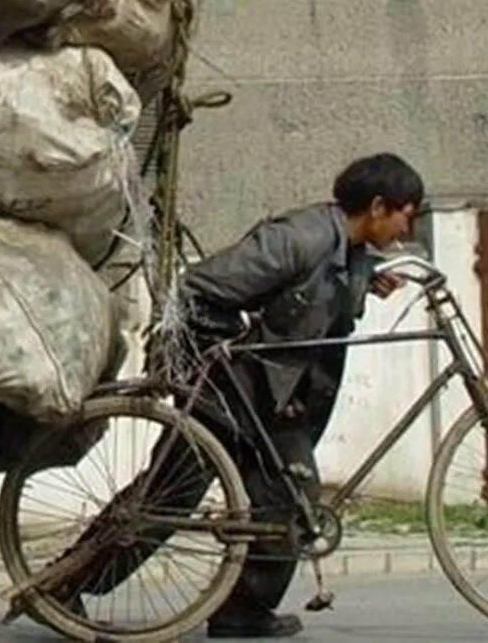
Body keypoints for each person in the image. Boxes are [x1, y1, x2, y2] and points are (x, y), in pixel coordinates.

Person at [56, 152, 425, 639]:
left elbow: (315, 296)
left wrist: (364, 279)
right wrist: (226, 353)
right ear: (378, 206)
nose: (407, 227)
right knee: (170, 493)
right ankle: (67, 584)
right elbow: (200, 288)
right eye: (406, 213)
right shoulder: (298, 238)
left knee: (288, 498)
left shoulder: (347, 251)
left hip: (269, 397)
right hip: (227, 385)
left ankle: (243, 613)